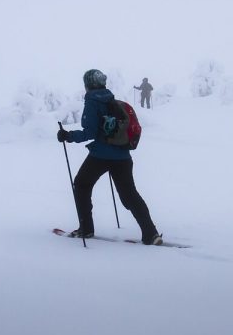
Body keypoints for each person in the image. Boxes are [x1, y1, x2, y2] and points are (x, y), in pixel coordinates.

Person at [57, 69, 162, 245]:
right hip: (123, 156)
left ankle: (86, 229)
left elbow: (89, 132)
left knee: (82, 184)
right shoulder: (112, 99)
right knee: (130, 195)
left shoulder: (92, 101)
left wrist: (68, 136)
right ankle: (151, 234)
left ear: (88, 84)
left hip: (100, 156)